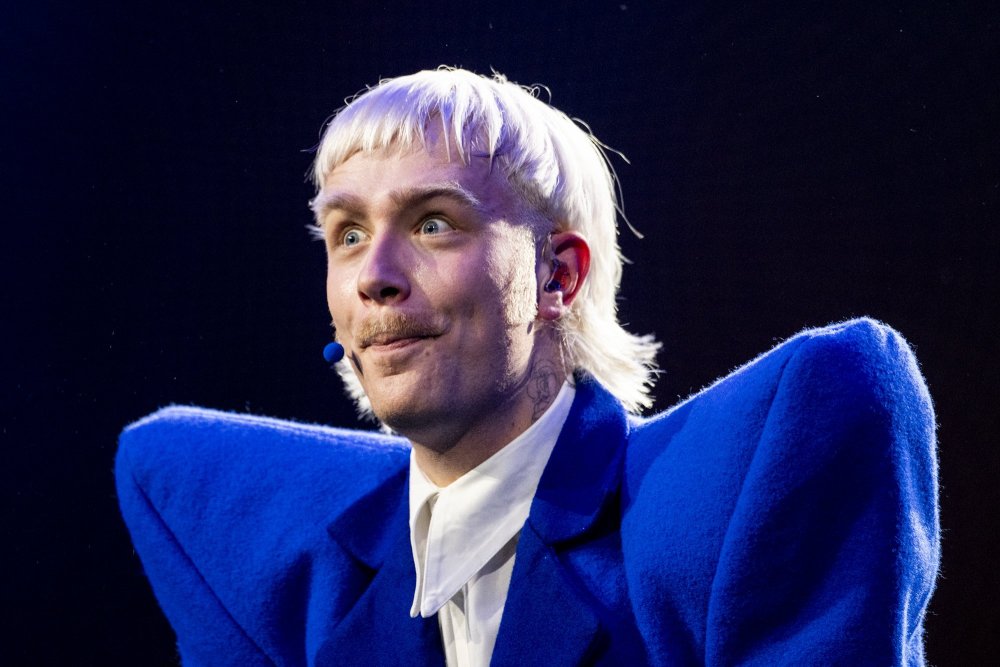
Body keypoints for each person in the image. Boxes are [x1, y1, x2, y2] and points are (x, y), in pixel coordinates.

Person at [116, 68, 940, 666]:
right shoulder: (311, 573)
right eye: (348, 235)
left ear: (559, 275)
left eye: (434, 222)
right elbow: (164, 466)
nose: (374, 275)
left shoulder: (726, 495)